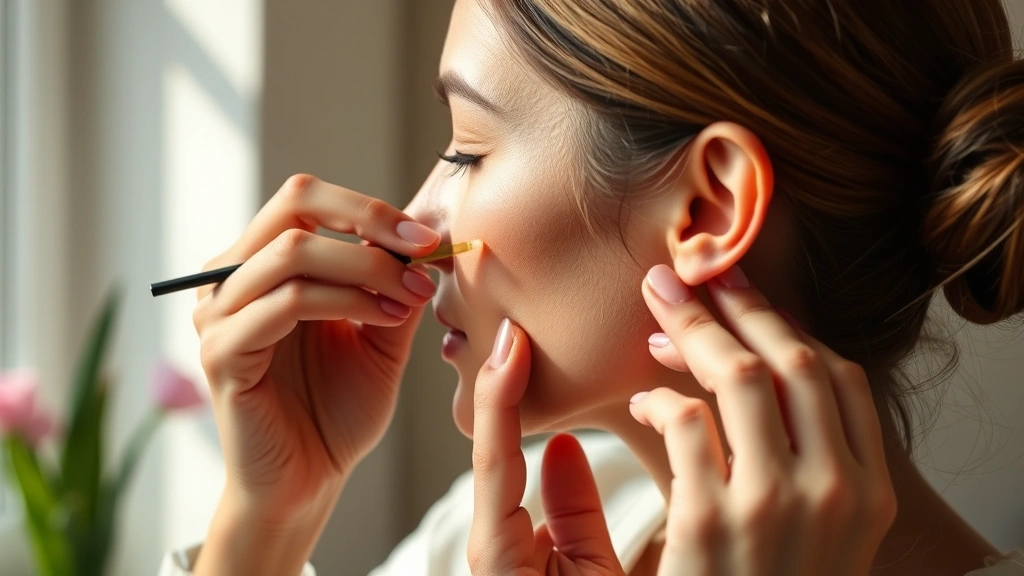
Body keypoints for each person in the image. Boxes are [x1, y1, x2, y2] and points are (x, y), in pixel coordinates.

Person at [160, 0, 1024, 574]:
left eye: (466, 149)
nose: (413, 220)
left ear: (708, 209)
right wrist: (270, 519)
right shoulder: (521, 519)